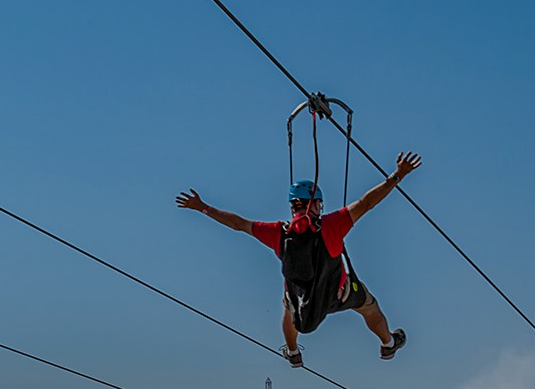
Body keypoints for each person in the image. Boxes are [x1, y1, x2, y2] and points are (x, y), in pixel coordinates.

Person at [175, 152, 422, 367]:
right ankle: (388, 343)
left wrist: (203, 207)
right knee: (370, 307)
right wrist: (398, 174)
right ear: (315, 205)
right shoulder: (331, 225)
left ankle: (293, 352)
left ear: (293, 206)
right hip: (341, 294)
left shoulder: (277, 232)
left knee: (288, 304)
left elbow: (238, 224)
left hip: (302, 303)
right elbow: (368, 202)